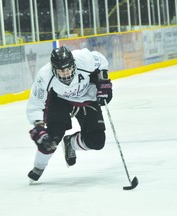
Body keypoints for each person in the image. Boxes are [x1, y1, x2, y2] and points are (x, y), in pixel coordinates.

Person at [26, 46, 113, 183]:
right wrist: (39, 125)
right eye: (61, 71)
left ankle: (71, 142)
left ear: (74, 64)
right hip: (60, 101)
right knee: (50, 139)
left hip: (86, 97)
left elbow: (101, 61)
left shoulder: (84, 59)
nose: (66, 74)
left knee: (97, 141)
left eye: (68, 69)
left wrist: (104, 83)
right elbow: (35, 104)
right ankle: (38, 167)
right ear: (54, 69)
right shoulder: (44, 76)